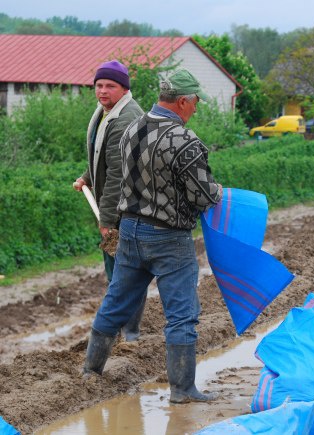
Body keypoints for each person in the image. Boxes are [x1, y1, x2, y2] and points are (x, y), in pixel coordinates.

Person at [83, 69, 223, 404]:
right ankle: (182, 390)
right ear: (183, 101)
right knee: (181, 314)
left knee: (116, 302)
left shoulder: (130, 128)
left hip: (129, 231)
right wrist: (222, 192)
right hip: (169, 239)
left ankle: (90, 371)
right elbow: (203, 197)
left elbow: (117, 175)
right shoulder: (185, 143)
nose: (196, 108)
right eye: (195, 102)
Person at [73, 60, 146, 342]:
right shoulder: (108, 112)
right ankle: (120, 330)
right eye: (99, 85)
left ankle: (129, 334)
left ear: (123, 88)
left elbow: (117, 174)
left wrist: (106, 221)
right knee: (118, 272)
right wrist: (87, 178)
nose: (102, 91)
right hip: (116, 207)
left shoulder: (126, 118)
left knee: (125, 274)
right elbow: (101, 156)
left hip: (127, 209)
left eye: (109, 86)